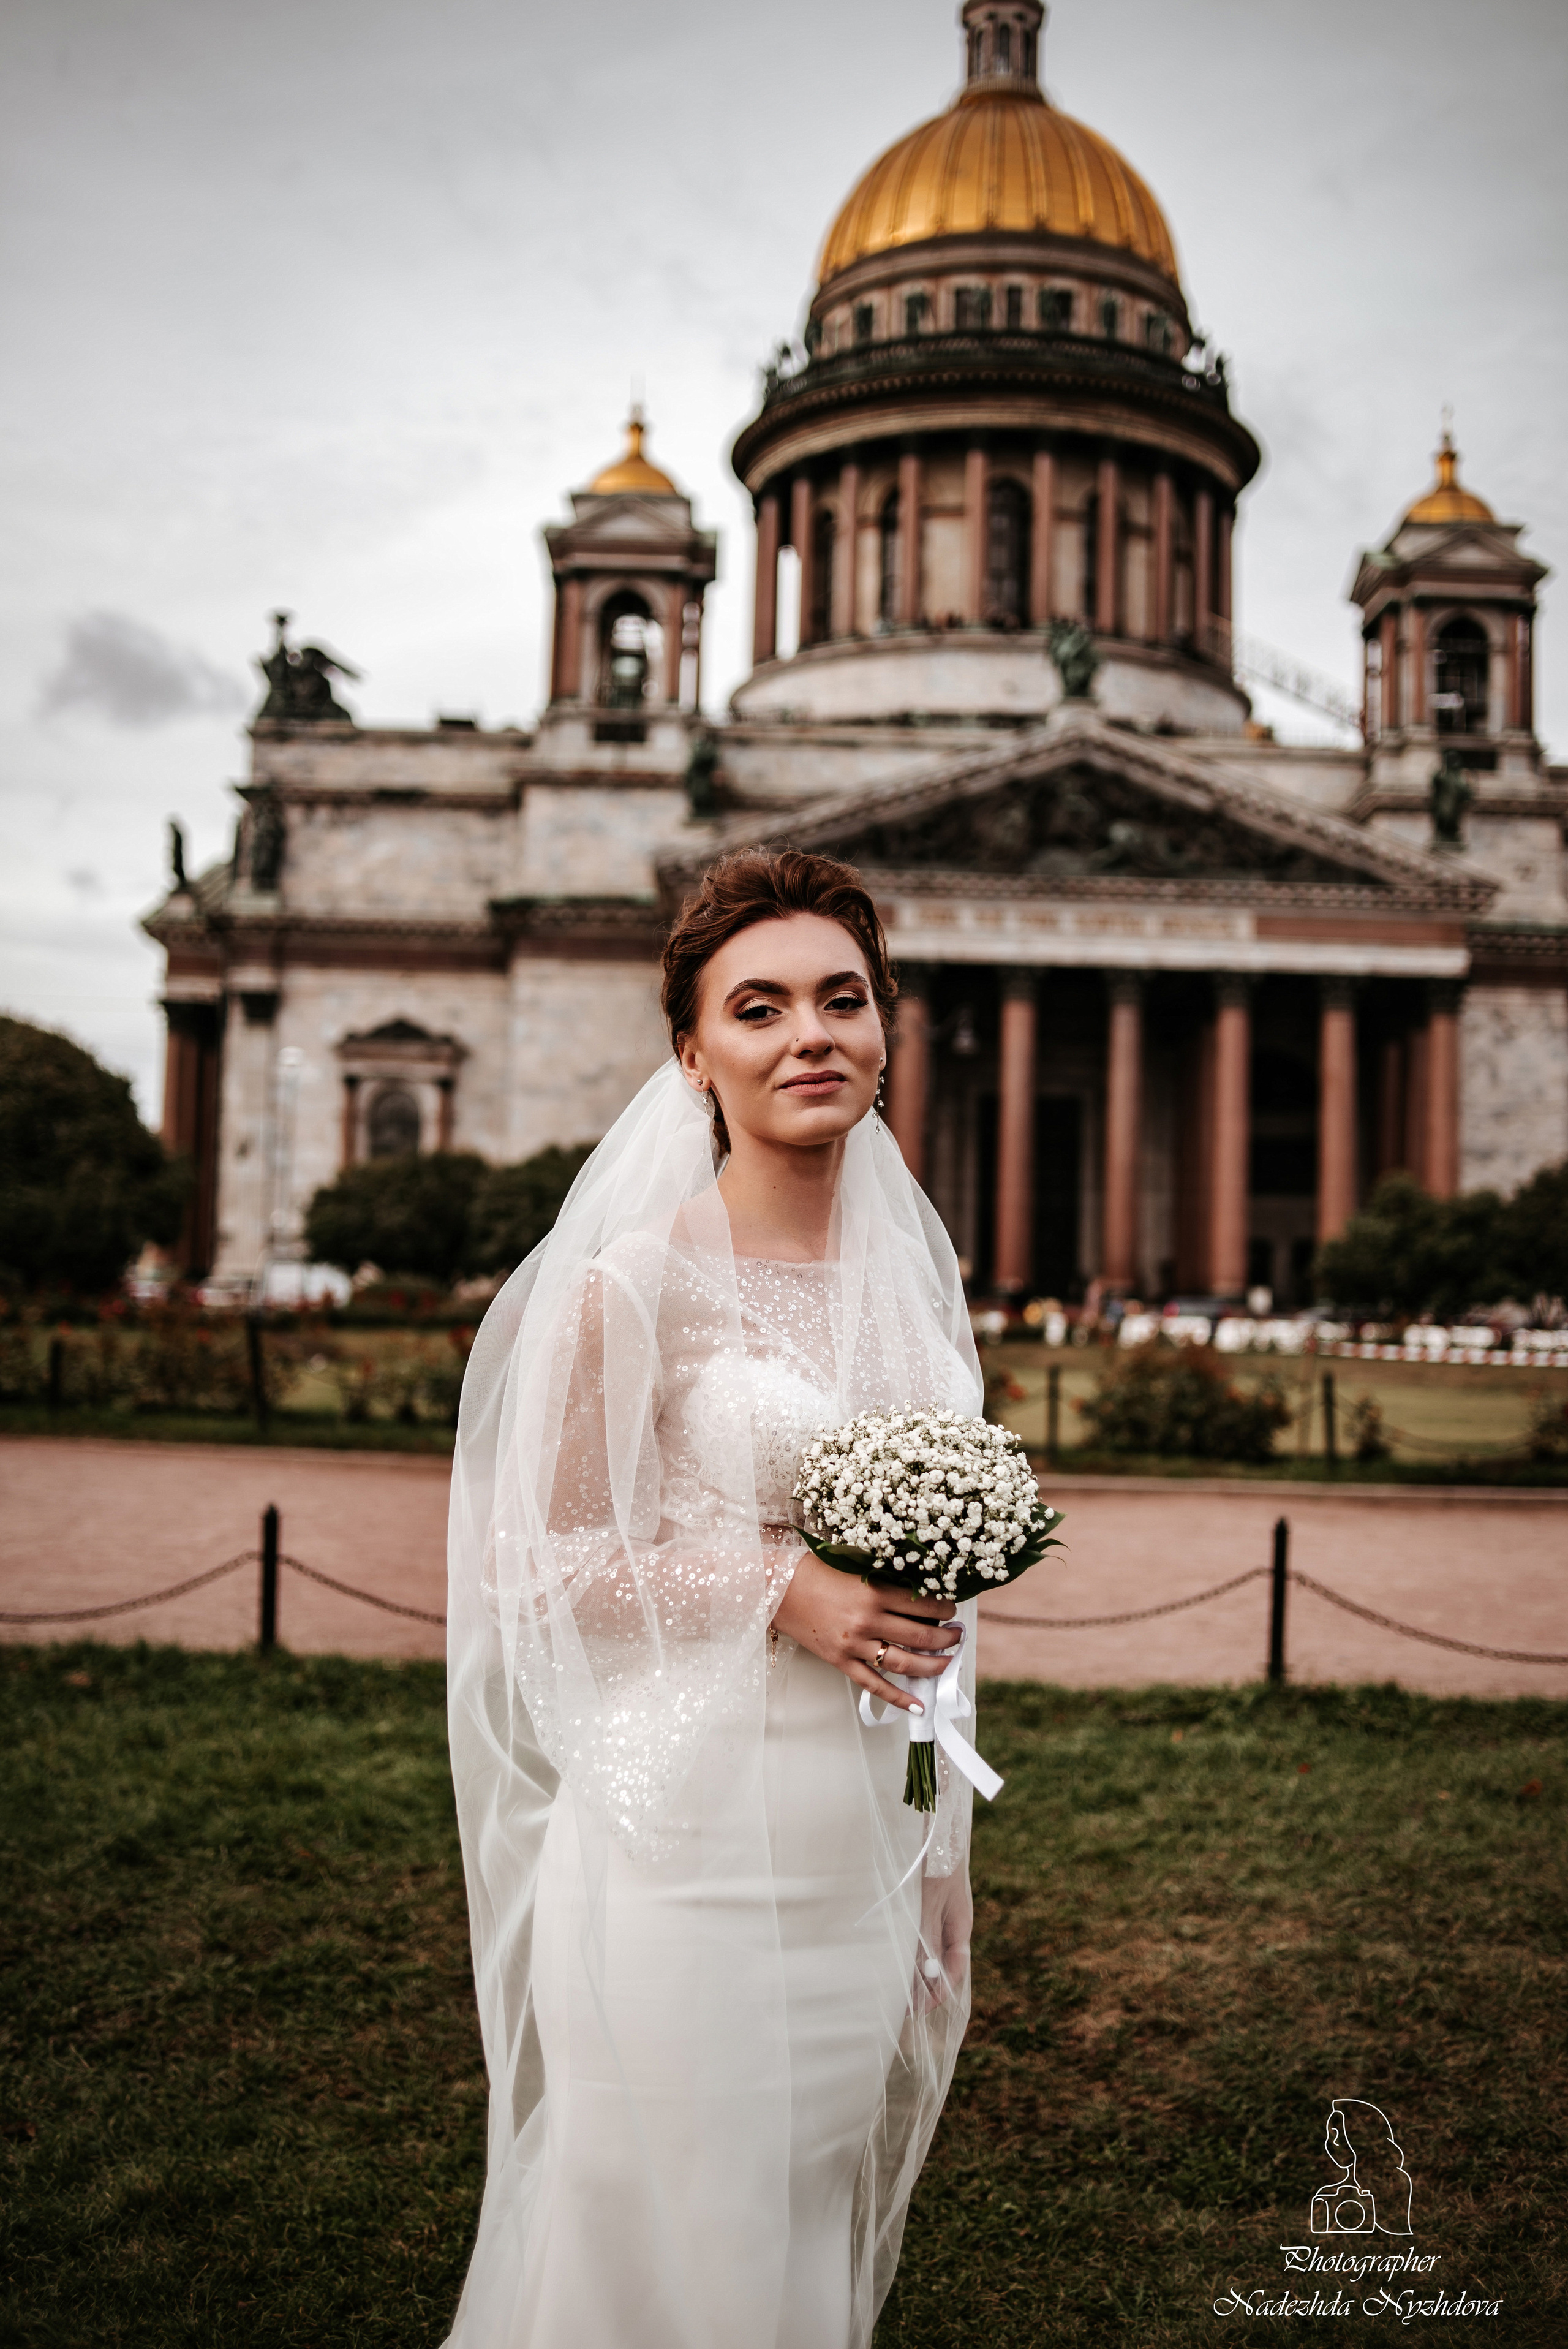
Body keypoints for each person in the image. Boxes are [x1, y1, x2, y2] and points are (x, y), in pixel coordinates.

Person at [445, 849, 992, 2349]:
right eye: (759, 1008)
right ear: (693, 1052)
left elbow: (943, 1605)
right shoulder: (635, 1282)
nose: (810, 1034)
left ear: (886, 1028)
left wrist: (939, 1841)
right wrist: (778, 1592)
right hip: (681, 1840)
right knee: (672, 2232)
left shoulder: (911, 1282)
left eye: (843, 998)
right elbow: (532, 1571)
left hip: (857, 1850)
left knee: (796, 2224)